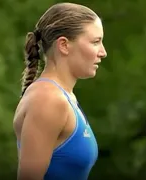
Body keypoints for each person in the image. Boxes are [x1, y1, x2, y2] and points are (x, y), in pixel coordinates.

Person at [13, 2, 107, 180]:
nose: (103, 52)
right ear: (64, 45)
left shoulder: (63, 96)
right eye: (96, 42)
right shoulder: (48, 99)